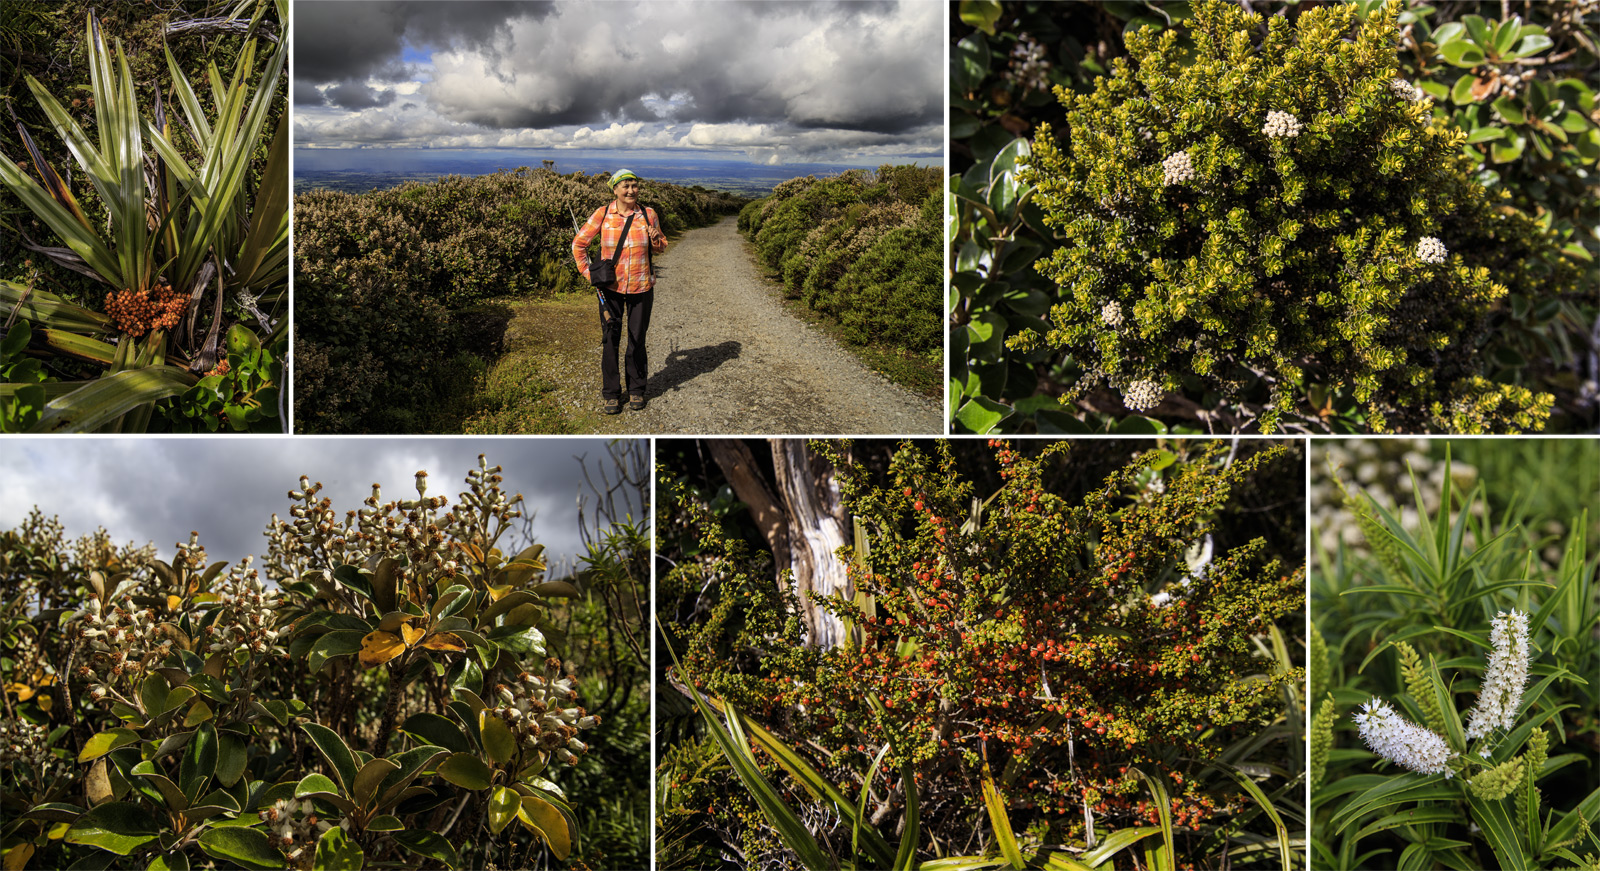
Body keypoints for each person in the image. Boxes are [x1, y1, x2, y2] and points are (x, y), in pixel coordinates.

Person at [572, 169, 668, 414]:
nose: (630, 190)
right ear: (614, 190)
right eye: (625, 186)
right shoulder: (602, 214)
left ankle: (636, 390)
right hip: (610, 289)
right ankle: (611, 394)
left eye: (634, 185)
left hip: (641, 287)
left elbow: (660, 248)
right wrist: (589, 274)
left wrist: (656, 238)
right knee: (610, 340)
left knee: (637, 340)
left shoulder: (648, 214)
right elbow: (579, 244)